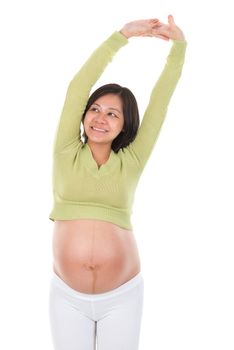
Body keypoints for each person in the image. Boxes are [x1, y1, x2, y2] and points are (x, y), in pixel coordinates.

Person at [48, 16, 187, 350]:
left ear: (124, 125)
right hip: (67, 296)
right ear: (83, 114)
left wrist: (179, 49)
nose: (100, 118)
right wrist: (121, 36)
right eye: (95, 109)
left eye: (112, 113)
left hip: (122, 296)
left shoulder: (132, 161)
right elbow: (76, 88)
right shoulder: (66, 151)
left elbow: (160, 104)